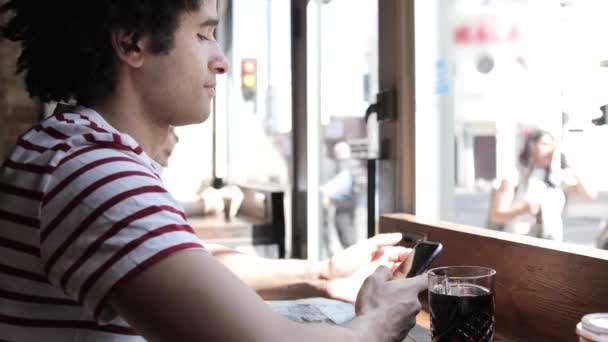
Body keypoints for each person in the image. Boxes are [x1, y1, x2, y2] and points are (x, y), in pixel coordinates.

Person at [0, 1, 426, 341]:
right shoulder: (94, 173)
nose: (221, 61)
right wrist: (376, 323)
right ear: (132, 43)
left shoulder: (66, 147)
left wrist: (321, 273)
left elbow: (179, 270)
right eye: (204, 35)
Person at [489, 129, 596, 241]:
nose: (550, 149)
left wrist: (570, 165)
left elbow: (589, 194)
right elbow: (496, 215)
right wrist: (522, 209)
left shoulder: (557, 177)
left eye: (552, 145)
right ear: (531, 146)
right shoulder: (515, 176)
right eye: (545, 144)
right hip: (519, 246)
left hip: (552, 247)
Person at [321, 141, 361, 255]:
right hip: (347, 205)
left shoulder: (346, 165)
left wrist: (329, 196)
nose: (335, 155)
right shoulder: (352, 164)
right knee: (347, 230)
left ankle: (353, 258)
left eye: (337, 152)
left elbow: (344, 186)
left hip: (345, 206)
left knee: (346, 231)